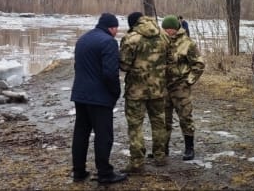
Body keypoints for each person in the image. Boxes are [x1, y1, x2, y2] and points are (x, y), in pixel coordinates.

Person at [70, 12, 127, 184]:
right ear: (112, 27)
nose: (116, 32)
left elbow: (77, 66)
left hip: (80, 94)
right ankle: (105, 173)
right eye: (116, 28)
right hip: (99, 97)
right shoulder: (108, 42)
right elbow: (110, 73)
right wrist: (115, 93)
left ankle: (78, 171)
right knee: (104, 135)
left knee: (81, 133)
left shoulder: (83, 39)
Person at [120, 12, 169, 172]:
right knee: (159, 122)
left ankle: (137, 162)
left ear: (132, 23)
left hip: (136, 90)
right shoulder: (163, 36)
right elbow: (171, 59)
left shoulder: (131, 39)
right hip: (159, 88)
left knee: (135, 126)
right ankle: (160, 156)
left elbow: (124, 65)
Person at [162, 15, 205, 161]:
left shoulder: (187, 43)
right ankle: (163, 148)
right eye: (165, 29)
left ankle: (189, 148)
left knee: (185, 117)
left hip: (181, 87)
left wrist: (189, 81)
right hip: (164, 87)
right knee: (163, 120)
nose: (168, 32)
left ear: (176, 29)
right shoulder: (161, 42)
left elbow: (199, 64)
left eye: (170, 29)